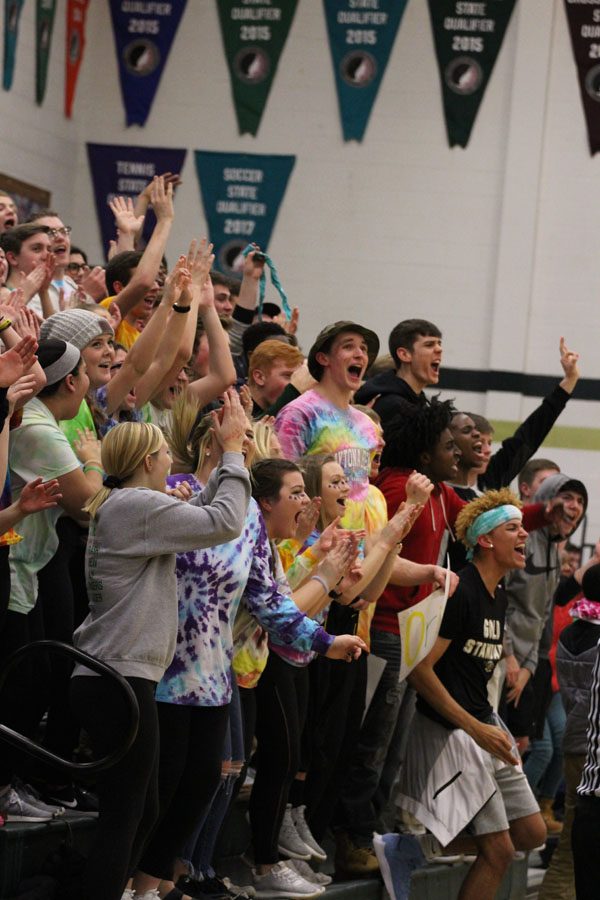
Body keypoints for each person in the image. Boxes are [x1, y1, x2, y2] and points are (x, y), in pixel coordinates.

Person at [70, 396, 252, 900]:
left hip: (112, 677)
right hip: (115, 679)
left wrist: (221, 458)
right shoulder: (135, 506)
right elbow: (224, 523)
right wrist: (234, 453)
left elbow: (199, 514)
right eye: (166, 455)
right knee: (127, 814)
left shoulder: (131, 507)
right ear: (149, 462)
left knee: (141, 810)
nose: (173, 461)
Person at [378, 489, 546, 900]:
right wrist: (474, 728)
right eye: (513, 528)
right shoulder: (462, 592)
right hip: (451, 731)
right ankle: (410, 846)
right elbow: (419, 671)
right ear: (486, 540)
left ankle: (412, 848)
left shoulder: (500, 593)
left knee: (532, 833)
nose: (524, 534)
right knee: (499, 852)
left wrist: (492, 725)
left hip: (483, 724)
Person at [541, 564, 600, 899]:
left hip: (575, 740)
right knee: (570, 851)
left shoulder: (570, 634)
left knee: (571, 847)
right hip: (592, 750)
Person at [354, 318, 442, 424]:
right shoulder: (392, 406)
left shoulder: (418, 402)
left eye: (439, 344)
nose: (439, 349)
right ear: (404, 355)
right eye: (429, 345)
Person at [247, 339, 304, 417]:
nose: (297, 382)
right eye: (288, 376)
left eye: (297, 376)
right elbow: (259, 426)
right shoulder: (231, 412)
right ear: (259, 377)